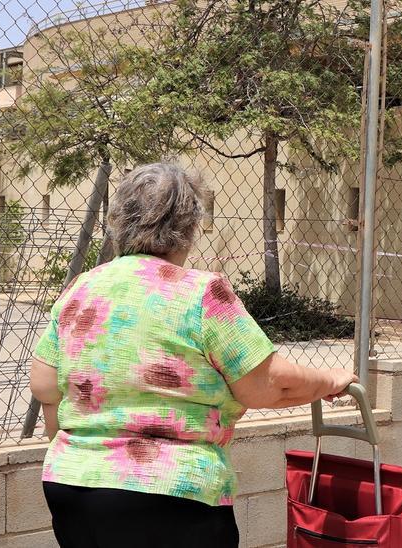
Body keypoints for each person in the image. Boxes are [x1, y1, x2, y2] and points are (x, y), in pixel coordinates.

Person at [29, 163, 356, 547]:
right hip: (174, 494)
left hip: (72, 489)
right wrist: (330, 380)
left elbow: (45, 385)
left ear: (118, 220)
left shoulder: (82, 287)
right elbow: (268, 385)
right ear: (188, 226)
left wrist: (84, 458)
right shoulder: (201, 293)